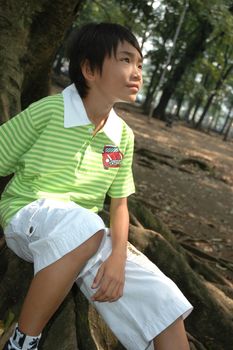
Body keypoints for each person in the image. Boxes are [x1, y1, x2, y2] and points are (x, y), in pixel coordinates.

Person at [0, 23, 193, 350]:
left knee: (165, 301)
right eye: (126, 60)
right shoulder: (49, 111)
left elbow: (119, 205)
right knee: (87, 225)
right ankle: (22, 342)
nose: (137, 72)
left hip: (85, 238)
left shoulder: (123, 137)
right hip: (26, 217)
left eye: (141, 64)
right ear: (89, 69)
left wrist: (118, 257)